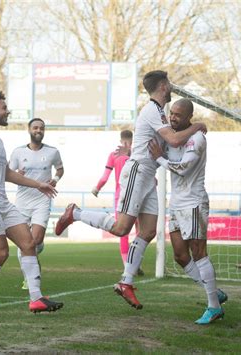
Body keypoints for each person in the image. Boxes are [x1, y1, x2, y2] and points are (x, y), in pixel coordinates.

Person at [55, 70, 206, 309]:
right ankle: (75, 213)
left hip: (148, 176)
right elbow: (175, 141)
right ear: (164, 85)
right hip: (138, 172)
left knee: (147, 232)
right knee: (121, 228)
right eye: (169, 83)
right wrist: (198, 125)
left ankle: (126, 282)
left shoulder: (159, 113)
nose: (171, 86)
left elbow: (169, 140)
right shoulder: (151, 110)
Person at [0, 91, 63, 316]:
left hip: (2, 202)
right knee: (1, 253)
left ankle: (36, 298)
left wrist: (37, 185)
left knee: (29, 244)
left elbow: (8, 174)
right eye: (3, 107)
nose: (7, 111)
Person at [148, 98, 227, 325]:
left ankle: (213, 307)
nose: (173, 118)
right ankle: (214, 292)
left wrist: (159, 159)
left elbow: (183, 169)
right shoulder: (172, 137)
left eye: (178, 115)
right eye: (171, 113)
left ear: (188, 118)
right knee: (180, 256)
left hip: (194, 202)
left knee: (198, 253)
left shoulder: (197, 138)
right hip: (176, 204)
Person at [9, 117, 64, 290]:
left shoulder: (52, 152)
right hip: (22, 203)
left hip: (42, 201)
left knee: (35, 241)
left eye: (41, 128)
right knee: (24, 243)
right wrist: (18, 173)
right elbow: (9, 174)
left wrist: (55, 179)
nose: (38, 130)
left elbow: (60, 169)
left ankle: (35, 255)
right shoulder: (18, 152)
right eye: (35, 128)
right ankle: (29, 277)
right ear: (29, 130)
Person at [91, 130, 143, 275]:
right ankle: (136, 262)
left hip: (121, 197)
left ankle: (127, 266)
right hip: (138, 195)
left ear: (121, 140)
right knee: (140, 231)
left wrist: (97, 188)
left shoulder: (113, 155)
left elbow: (105, 177)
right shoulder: (137, 154)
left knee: (123, 232)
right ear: (132, 140)